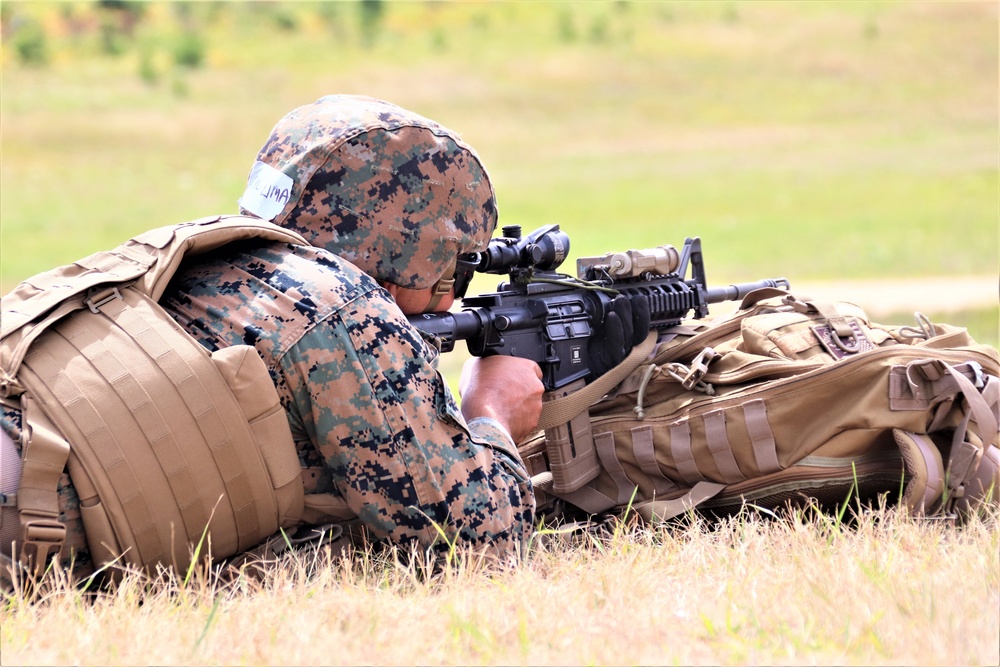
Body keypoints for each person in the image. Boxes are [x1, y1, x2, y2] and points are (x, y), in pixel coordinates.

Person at [0, 94, 545, 578]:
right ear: (411, 252)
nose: (448, 300)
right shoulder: (339, 306)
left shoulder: (195, 259)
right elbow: (478, 541)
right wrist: (492, 410)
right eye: (452, 271)